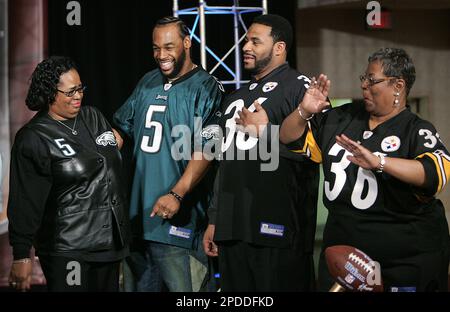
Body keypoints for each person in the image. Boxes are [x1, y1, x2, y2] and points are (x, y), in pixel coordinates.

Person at [278, 48, 450, 291]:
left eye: (372, 80)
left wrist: (379, 162)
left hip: (403, 258)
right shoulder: (341, 118)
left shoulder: (416, 130)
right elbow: (288, 137)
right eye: (364, 79)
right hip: (345, 251)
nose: (364, 86)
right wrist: (304, 111)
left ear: (398, 86)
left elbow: (436, 173)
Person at [203, 14, 319, 291]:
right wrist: (215, 219)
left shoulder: (301, 88)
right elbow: (224, 164)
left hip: (279, 227)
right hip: (233, 227)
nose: (245, 47)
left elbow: (313, 152)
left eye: (255, 41)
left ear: (279, 48)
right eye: (245, 40)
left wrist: (269, 132)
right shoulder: (234, 98)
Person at [113, 16, 223, 292]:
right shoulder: (147, 81)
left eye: (169, 47)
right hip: (139, 222)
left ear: (187, 43)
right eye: (155, 48)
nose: (161, 55)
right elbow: (120, 131)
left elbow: (209, 148)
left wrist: (177, 193)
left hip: (180, 226)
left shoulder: (206, 87)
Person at [7, 56, 129, 292]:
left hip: (109, 245)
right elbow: (25, 201)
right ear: (50, 94)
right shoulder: (34, 137)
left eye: (80, 88)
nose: (79, 96)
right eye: (71, 91)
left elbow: (106, 158)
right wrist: (21, 255)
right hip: (69, 251)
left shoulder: (93, 117)